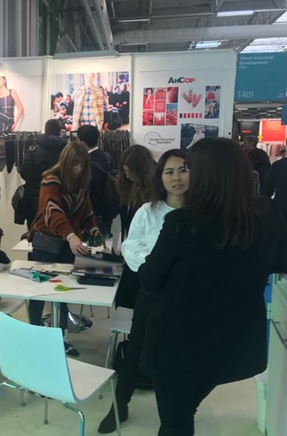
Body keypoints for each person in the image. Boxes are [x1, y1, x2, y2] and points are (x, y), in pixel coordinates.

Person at [137, 138, 287, 435]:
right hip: (229, 341)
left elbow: (150, 280)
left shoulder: (182, 221)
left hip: (177, 342)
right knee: (184, 412)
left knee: (175, 423)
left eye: (189, 168)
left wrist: (153, 260)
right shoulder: (264, 212)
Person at [99, 149, 189, 433]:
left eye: (183, 170)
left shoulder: (203, 212)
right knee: (137, 347)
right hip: (152, 292)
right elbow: (131, 245)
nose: (177, 178)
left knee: (180, 355)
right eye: (169, 172)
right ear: (160, 177)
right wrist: (151, 264)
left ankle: (177, 413)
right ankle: (120, 403)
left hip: (187, 298)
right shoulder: (148, 211)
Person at [27, 142, 103, 357]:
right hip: (47, 245)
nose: (79, 169)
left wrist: (94, 230)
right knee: (38, 294)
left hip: (67, 246)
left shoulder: (81, 183)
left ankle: (61, 339)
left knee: (62, 293)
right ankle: (34, 336)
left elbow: (86, 212)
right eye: (75, 165)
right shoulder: (50, 181)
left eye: (82, 165)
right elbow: (52, 212)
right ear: (66, 162)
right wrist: (70, 235)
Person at [115, 145, 156, 308]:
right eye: (125, 172)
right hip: (132, 249)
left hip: (147, 253)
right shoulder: (130, 187)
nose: (127, 175)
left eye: (129, 172)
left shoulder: (153, 192)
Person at [19, 119, 67, 229]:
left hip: (35, 198)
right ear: (60, 131)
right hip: (59, 196)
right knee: (58, 228)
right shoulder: (66, 151)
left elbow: (24, 173)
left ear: (45, 130)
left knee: (35, 229)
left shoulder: (33, 150)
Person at [77, 125, 117, 235]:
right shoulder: (106, 156)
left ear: (82, 142)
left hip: (95, 213)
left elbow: (90, 190)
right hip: (107, 209)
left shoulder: (87, 163)